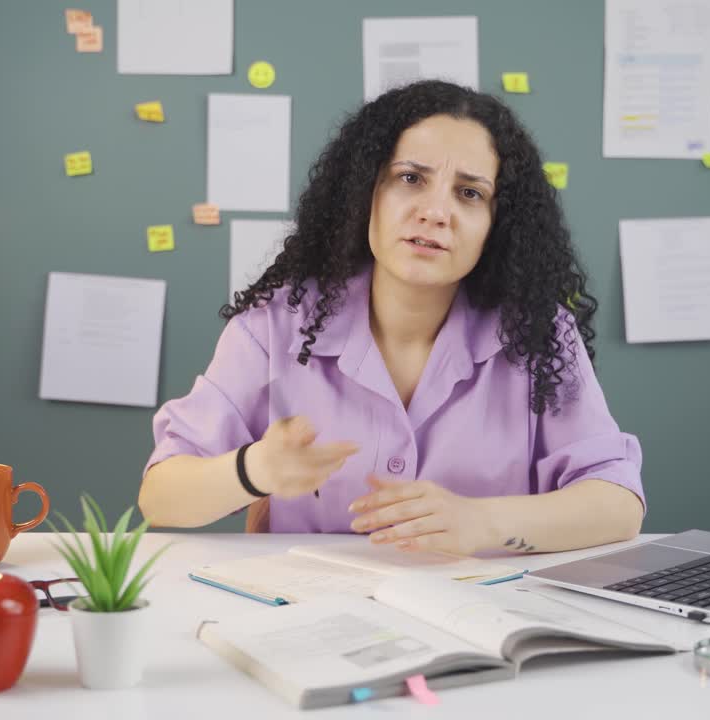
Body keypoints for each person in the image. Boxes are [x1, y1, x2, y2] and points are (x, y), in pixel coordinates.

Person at [139, 80, 644, 555]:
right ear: (366, 194)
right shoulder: (277, 322)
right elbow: (160, 497)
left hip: (482, 620)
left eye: (469, 193)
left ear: (498, 224)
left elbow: (619, 505)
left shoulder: (539, 332)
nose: (435, 212)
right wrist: (254, 470)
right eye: (410, 178)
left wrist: (482, 522)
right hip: (312, 621)